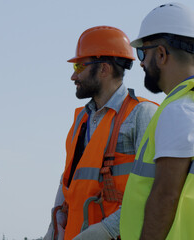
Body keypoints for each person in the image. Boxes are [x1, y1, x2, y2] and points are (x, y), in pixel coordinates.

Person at [42, 26, 159, 240]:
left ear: (103, 69)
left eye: (79, 66)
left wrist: (107, 230)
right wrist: (54, 229)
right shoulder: (81, 119)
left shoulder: (142, 114)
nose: (73, 76)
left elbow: (154, 190)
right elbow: (68, 182)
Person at [120, 3, 194, 239]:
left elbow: (165, 195)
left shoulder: (179, 109)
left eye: (143, 52)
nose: (140, 62)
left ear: (161, 54)